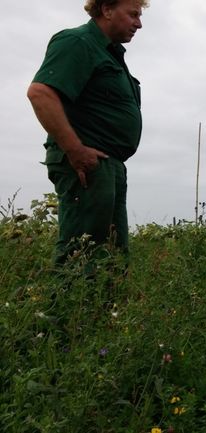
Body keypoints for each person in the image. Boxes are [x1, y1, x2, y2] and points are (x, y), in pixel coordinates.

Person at [27, 0, 148, 268]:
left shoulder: (109, 54)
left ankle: (101, 311)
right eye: (133, 15)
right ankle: (63, 310)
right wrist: (75, 151)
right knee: (80, 252)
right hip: (86, 163)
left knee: (111, 258)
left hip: (108, 165)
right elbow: (41, 93)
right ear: (106, 9)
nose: (139, 24)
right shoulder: (78, 42)